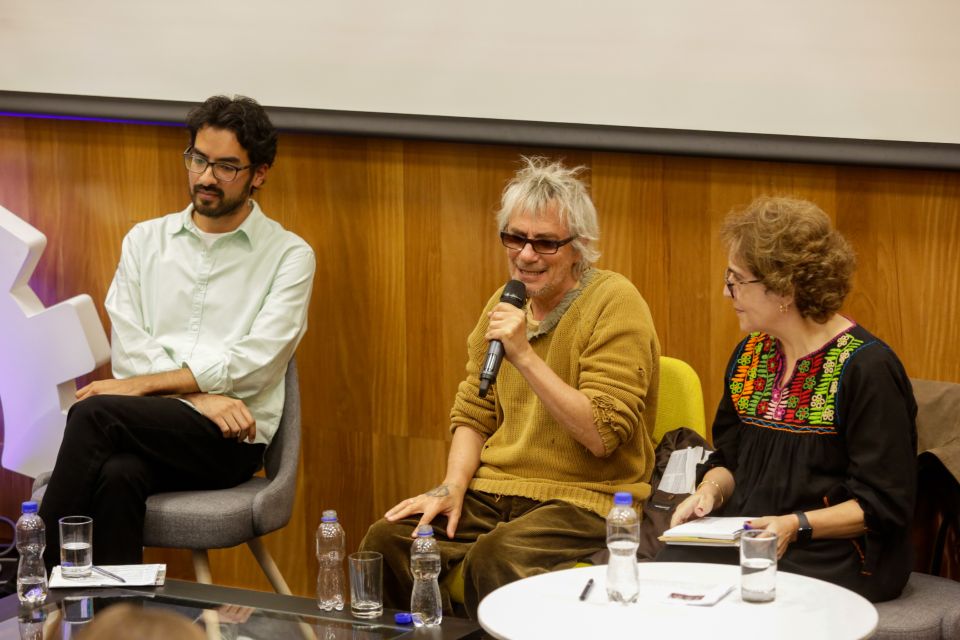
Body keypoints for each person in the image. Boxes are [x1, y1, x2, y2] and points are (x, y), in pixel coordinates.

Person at [360, 156, 660, 618]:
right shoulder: (503, 306)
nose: (525, 255)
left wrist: (523, 354)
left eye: (545, 243)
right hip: (495, 490)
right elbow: (473, 412)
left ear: (579, 247)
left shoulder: (614, 302)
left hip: (583, 498)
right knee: (390, 539)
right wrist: (451, 487)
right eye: (515, 238)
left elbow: (602, 434)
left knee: (495, 558)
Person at [38, 95, 316, 568]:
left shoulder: (290, 256)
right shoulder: (144, 240)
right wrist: (192, 399)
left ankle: (29, 582)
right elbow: (129, 347)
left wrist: (148, 387)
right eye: (198, 159)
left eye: (226, 167)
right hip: (153, 424)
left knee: (93, 414)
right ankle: (116, 623)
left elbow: (255, 363)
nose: (206, 177)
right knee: (119, 474)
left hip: (231, 440)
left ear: (259, 174)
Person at [663, 196, 916, 602]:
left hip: (832, 550)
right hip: (753, 535)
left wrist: (793, 525)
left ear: (785, 287)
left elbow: (882, 504)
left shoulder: (868, 368)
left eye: (736, 280)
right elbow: (731, 461)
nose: (727, 294)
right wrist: (709, 492)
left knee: (753, 592)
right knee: (671, 566)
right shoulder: (751, 356)